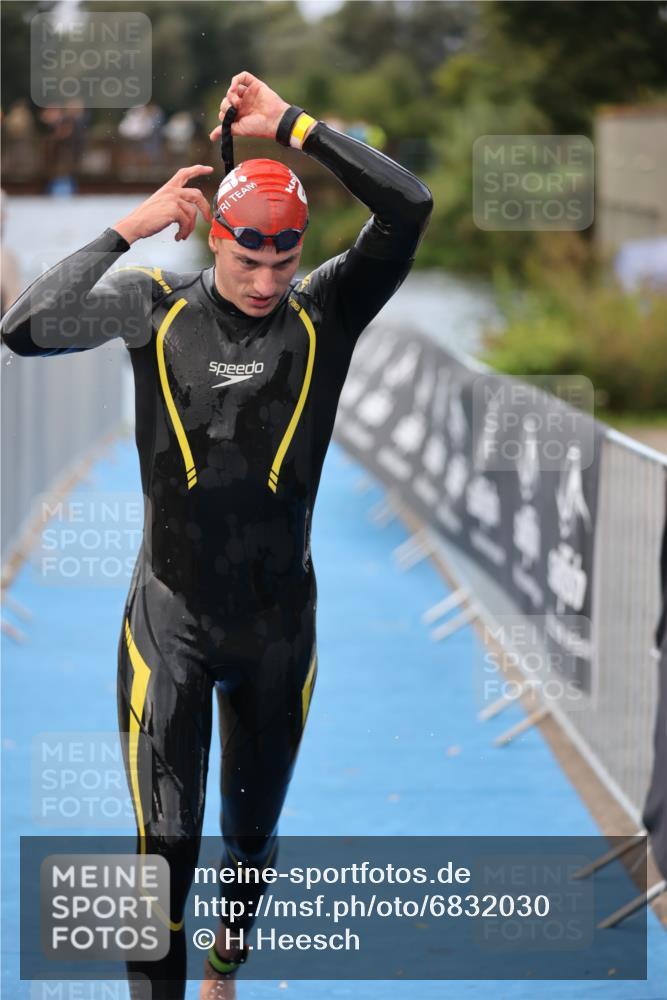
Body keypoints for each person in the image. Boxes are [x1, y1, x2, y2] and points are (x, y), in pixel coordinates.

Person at [0, 71, 432, 999]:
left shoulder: (325, 314)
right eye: (248, 263)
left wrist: (293, 127)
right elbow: (23, 329)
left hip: (280, 631)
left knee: (247, 837)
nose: (267, 283)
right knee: (164, 853)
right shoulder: (155, 306)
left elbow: (409, 207)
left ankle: (226, 964)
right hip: (171, 623)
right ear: (216, 242)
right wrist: (126, 225)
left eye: (284, 264)